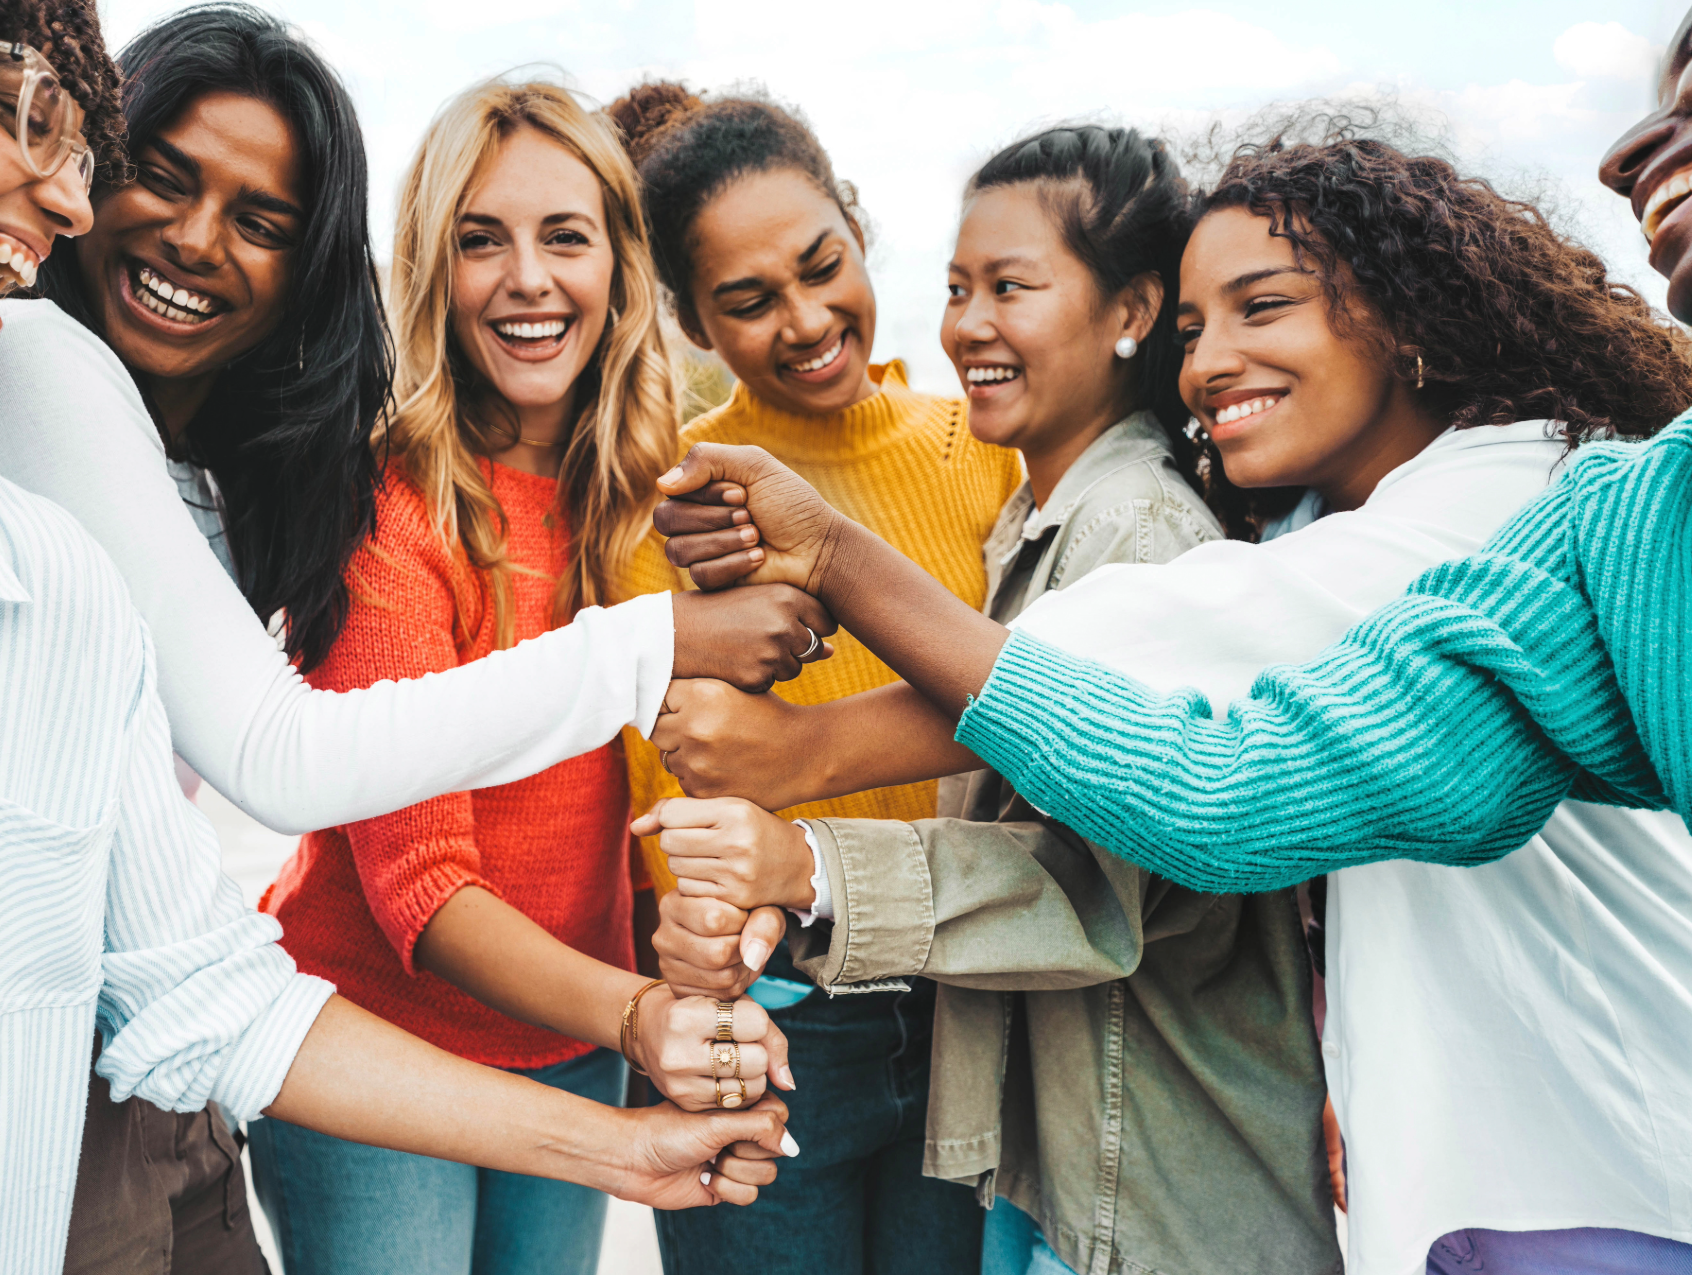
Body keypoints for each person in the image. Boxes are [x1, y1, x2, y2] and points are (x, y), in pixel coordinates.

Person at [0, 4, 795, 1274]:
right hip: (109, 1104)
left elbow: (198, 982)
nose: (75, 207)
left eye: (265, 222)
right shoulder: (40, 379)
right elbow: (310, 780)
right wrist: (661, 646)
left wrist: (637, 1080)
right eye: (45, 128)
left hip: (137, 1094)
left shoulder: (93, 548)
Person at [648, 125, 1692, 1273]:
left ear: (1406, 310)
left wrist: (810, 737)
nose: (1208, 362)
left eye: (1265, 306)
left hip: (1601, 1157)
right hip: (1477, 1165)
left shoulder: (1491, 506)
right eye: (1197, 329)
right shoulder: (1309, 520)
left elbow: (1141, 695)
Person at [648, 122, 1367, 1275]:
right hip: (1066, 1143)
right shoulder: (1042, 506)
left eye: (1010, 288)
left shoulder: (1130, 523)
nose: (969, 322)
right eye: (958, 287)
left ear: (1130, 313)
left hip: (1147, 1180)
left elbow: (1083, 876)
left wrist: (804, 849)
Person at [242, 78, 800, 1275]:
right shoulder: (386, 510)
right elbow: (423, 898)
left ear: (619, 266)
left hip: (577, 1036)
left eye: (565, 237)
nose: (528, 279)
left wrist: (693, 962)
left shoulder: (659, 499)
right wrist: (642, 1016)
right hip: (379, 1047)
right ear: (430, 272)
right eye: (479, 240)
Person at [605, 81, 1023, 1275]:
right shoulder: (679, 516)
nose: (804, 317)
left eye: (820, 263)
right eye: (748, 300)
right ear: (693, 325)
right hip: (782, 1018)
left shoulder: (984, 457)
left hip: (975, 997)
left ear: (854, 222)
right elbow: (670, 812)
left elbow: (1049, 705)